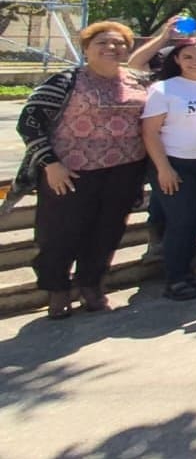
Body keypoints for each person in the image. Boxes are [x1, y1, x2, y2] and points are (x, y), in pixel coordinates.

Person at [19, 21, 151, 318]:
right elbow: (29, 121)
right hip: (71, 171)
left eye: (119, 43)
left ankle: (91, 286)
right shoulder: (66, 80)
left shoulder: (136, 81)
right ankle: (57, 290)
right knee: (60, 233)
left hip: (124, 170)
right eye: (103, 43)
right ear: (86, 48)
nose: (111, 48)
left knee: (107, 231)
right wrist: (50, 163)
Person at [139, 37, 196, 300]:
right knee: (181, 221)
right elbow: (150, 133)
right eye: (188, 57)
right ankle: (175, 279)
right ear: (177, 59)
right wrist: (163, 169)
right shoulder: (162, 89)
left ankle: (187, 273)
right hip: (176, 162)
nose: (195, 62)